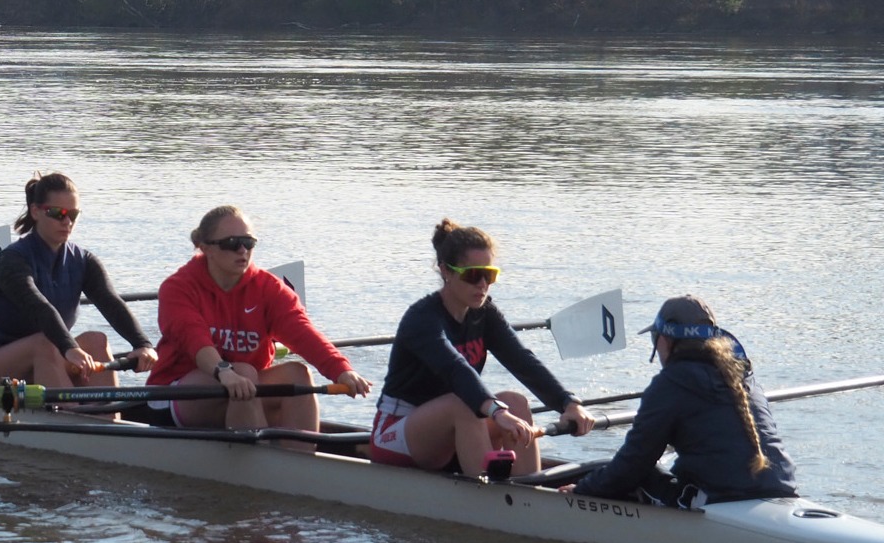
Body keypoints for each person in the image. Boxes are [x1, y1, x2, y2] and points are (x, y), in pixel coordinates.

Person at [369, 219, 593, 477]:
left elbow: (522, 360)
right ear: (446, 272)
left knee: (515, 402)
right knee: (464, 403)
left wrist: (568, 403)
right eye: (473, 275)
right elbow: (456, 369)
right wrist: (497, 412)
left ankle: (530, 493)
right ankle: (488, 499)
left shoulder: (484, 313)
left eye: (489, 275)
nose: (482, 285)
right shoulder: (422, 318)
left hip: (457, 425)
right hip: (397, 432)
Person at [129, 206, 371, 445]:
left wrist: (342, 370)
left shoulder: (269, 289)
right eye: (231, 243)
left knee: (298, 374)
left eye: (249, 242)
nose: (243, 250)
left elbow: (302, 332)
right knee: (243, 373)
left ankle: (301, 463)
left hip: (243, 387)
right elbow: (195, 340)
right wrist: (224, 372)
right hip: (174, 395)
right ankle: (259, 463)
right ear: (205, 249)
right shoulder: (178, 287)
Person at [566, 296, 797, 507]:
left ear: (665, 340)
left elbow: (633, 463)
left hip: (724, 498)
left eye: (655, 339)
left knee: (642, 476)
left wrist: (582, 491)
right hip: (783, 487)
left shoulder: (671, 383)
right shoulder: (743, 375)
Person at [0, 172, 158, 388]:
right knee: (45, 343)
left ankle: (106, 417)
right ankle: (72, 415)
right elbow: (39, 307)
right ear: (35, 211)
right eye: (57, 213)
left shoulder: (84, 260)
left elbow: (111, 303)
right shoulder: (12, 261)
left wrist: (142, 344)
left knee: (97, 341)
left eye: (73, 214)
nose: (67, 221)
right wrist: (69, 347)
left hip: (43, 363)